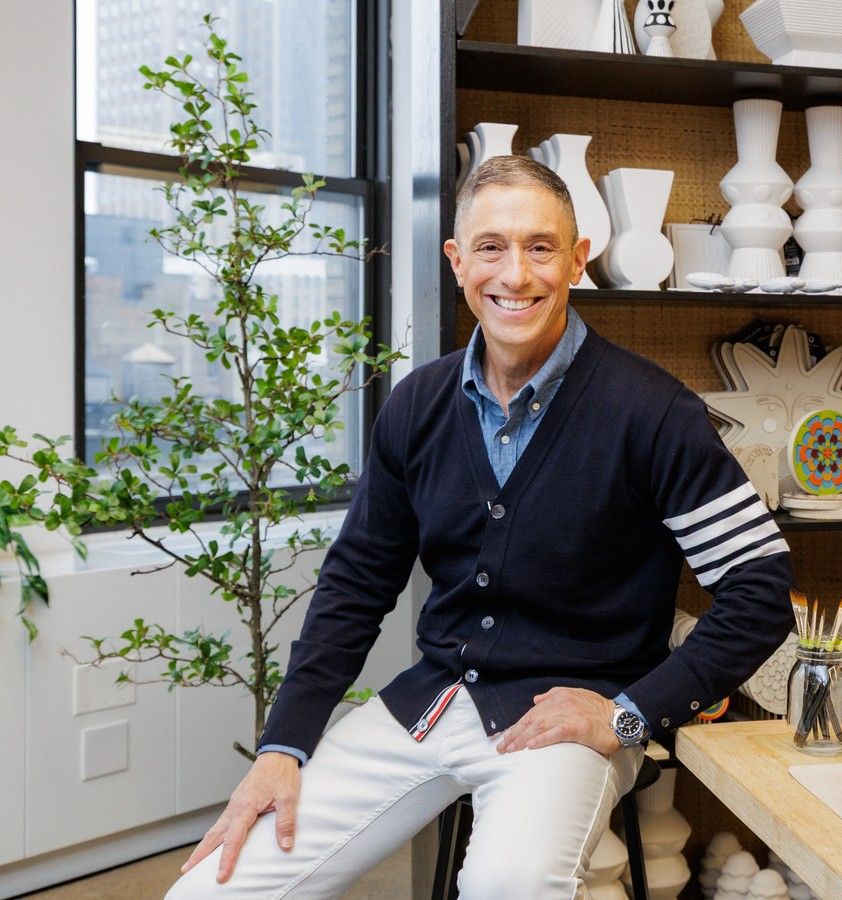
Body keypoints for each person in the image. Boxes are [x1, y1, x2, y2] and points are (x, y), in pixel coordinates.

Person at [165, 155, 793, 899]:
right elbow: (356, 585)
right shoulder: (416, 406)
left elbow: (759, 591)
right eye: (491, 247)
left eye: (541, 247)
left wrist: (628, 718)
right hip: (428, 704)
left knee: (508, 885)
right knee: (210, 890)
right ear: (458, 261)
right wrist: (283, 744)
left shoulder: (654, 413)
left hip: (571, 723)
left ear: (577, 260)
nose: (515, 274)